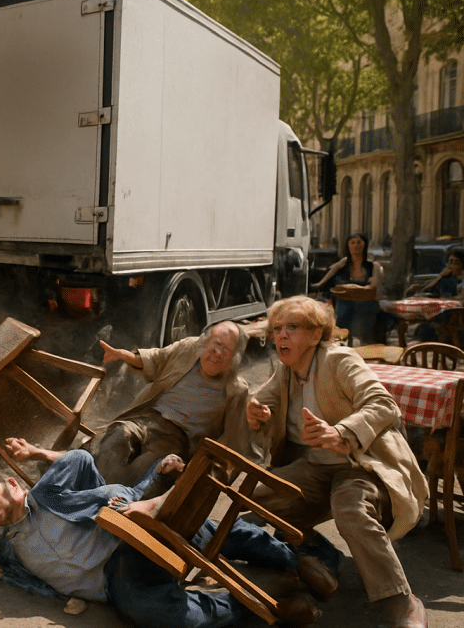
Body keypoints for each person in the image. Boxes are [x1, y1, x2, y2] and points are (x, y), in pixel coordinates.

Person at [0, 437, 329, 628]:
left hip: (124, 542)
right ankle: (262, 602)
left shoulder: (45, 495)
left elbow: (80, 459)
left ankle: (294, 559)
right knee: (152, 616)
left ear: (12, 484)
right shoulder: (6, 547)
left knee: (190, 527)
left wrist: (39, 453)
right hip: (115, 582)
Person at [247, 296, 427, 628]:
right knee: (255, 498)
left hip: (358, 465)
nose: (281, 336)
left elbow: (383, 404)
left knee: (351, 510)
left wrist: (341, 432)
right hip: (314, 467)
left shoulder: (339, 360)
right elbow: (264, 399)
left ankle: (400, 600)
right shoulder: (287, 370)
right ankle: (313, 551)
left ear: (316, 335)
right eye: (277, 329)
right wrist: (257, 411)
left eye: (293, 328)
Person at [81, 322, 254, 488]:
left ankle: (107, 498)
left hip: (177, 438)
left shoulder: (236, 390)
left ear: (234, 358)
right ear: (205, 343)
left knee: (146, 467)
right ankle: (89, 485)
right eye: (216, 344)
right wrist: (123, 355)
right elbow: (157, 359)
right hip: (146, 419)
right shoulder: (189, 349)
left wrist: (205, 480)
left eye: (227, 350)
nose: (218, 353)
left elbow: (235, 445)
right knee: (117, 437)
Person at [311, 232, 383, 343]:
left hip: (365, 303)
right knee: (344, 309)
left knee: (365, 313)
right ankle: (342, 340)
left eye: (359, 242)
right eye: (352, 243)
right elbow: (332, 270)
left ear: (365, 245)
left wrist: (362, 288)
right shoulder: (344, 263)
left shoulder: (374, 265)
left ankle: (365, 343)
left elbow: (374, 285)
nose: (356, 245)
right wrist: (320, 283)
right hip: (346, 303)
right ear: (348, 246)